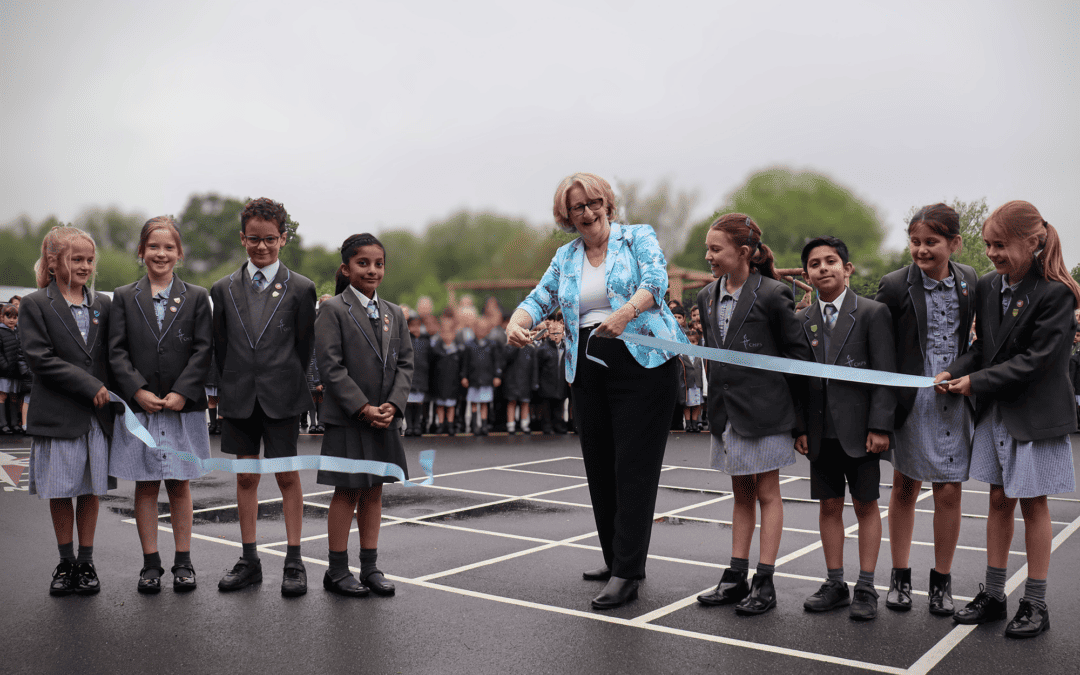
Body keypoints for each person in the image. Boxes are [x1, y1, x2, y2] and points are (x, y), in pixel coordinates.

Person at [508, 172, 686, 610]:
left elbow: (656, 282)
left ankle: (628, 573)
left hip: (642, 359)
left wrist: (626, 312)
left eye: (593, 203)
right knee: (600, 469)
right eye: (577, 208)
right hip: (587, 362)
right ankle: (615, 558)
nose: (587, 212)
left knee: (634, 469)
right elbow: (539, 298)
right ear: (566, 216)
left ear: (607, 202)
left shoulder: (636, 237)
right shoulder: (565, 256)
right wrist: (517, 321)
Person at [941, 200, 1080, 639]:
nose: (992, 253)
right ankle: (995, 596)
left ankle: (1035, 604)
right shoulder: (987, 286)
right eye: (987, 245)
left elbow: (1038, 361)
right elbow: (984, 349)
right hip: (997, 413)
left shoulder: (1056, 292)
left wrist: (975, 381)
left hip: (1033, 416)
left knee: (1034, 505)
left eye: (1001, 245)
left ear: (1033, 243)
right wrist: (955, 368)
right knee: (998, 501)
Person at [693, 214, 812, 616]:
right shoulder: (706, 296)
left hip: (766, 415)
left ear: (743, 252)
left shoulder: (773, 294)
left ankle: (764, 580)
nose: (707, 255)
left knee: (766, 493)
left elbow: (799, 359)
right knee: (740, 495)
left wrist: (801, 422)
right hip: (727, 415)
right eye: (707, 248)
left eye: (715, 249)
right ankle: (735, 576)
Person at [874, 204, 978, 615]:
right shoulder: (895, 285)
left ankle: (942, 582)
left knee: (949, 489)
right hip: (912, 400)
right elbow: (880, 353)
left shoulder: (971, 280)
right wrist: (880, 416)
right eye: (915, 241)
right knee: (905, 486)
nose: (921, 250)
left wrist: (957, 371)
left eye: (931, 242)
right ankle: (900, 578)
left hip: (955, 395)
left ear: (954, 243)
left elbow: (978, 346)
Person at [210, 197, 317, 596]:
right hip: (239, 396)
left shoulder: (301, 288)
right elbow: (220, 346)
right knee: (246, 478)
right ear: (242, 238)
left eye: (270, 239)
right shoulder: (222, 289)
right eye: (253, 239)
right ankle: (249, 559)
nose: (261, 247)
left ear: (283, 238)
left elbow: (304, 349)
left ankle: (294, 559)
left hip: (282, 396)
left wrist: (282, 379)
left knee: (288, 476)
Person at [108, 216, 213, 594]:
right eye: (153, 246)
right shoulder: (123, 296)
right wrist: (136, 390)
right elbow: (116, 351)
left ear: (179, 254)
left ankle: (183, 562)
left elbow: (204, 349)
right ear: (141, 251)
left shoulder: (198, 297)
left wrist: (183, 390)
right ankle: (150, 563)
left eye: (169, 247)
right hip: (142, 409)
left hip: (182, 407)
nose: (161, 253)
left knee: (179, 484)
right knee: (147, 485)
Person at [795, 236, 896, 621]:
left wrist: (881, 425)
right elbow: (799, 381)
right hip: (820, 432)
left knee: (866, 505)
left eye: (831, 261)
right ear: (806, 274)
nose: (823, 268)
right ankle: (835, 583)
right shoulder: (802, 320)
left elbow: (885, 374)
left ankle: (866, 586)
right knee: (829, 506)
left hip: (861, 432)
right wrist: (800, 428)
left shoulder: (871, 313)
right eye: (815, 264)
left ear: (847, 268)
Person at [315, 233, 413, 597]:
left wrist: (393, 404)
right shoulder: (333, 309)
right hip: (349, 417)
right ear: (346, 268)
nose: (372, 270)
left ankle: (370, 567)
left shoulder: (393, 313)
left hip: (384, 417)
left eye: (378, 263)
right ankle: (337, 570)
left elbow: (406, 363)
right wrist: (363, 407)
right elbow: (331, 367)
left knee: (374, 492)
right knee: (347, 491)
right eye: (363, 263)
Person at [21, 226, 114, 596]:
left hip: (96, 419)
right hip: (58, 414)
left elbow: (111, 354)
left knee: (90, 489)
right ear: (54, 262)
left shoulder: (103, 305)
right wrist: (89, 385)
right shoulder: (35, 303)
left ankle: (87, 561)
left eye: (90, 260)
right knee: (61, 491)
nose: (85, 266)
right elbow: (39, 359)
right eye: (77, 259)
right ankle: (65, 562)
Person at [461, 316, 502, 436]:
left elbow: (496, 362)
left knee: (484, 402)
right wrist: (464, 376)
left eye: (484, 328)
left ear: (488, 330)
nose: (481, 331)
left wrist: (497, 376)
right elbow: (465, 363)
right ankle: (474, 425)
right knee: (474, 402)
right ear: (474, 329)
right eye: (479, 328)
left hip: (486, 378)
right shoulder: (469, 345)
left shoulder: (492, 345)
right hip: (473, 378)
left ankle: (484, 425)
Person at [430, 309, 463, 436]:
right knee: (440, 405)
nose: (447, 335)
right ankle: (441, 423)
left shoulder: (458, 351)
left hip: (453, 383)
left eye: (449, 332)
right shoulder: (436, 350)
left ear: (454, 334)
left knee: (450, 405)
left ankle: (450, 424)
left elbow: (461, 367)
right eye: (444, 332)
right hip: (439, 382)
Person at [501, 338, 538, 435]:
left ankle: (525, 424)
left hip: (526, 381)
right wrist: (515, 346)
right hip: (512, 381)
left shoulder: (530, 349)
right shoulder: (509, 347)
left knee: (525, 402)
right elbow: (505, 359)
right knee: (511, 402)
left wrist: (534, 382)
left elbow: (534, 367)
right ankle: (510, 425)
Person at [404, 313, 432, 436]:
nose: (415, 328)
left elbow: (431, 358)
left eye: (418, 326)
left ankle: (417, 425)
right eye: (412, 326)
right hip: (409, 375)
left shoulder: (426, 341)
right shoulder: (405, 339)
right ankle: (409, 426)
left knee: (419, 403)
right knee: (408, 402)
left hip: (422, 375)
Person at [0, 304, 23, 434]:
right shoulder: (1, 331)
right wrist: (5, 365)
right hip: (4, 371)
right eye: (8, 316)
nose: (12, 320)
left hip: (16, 371)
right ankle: (3, 424)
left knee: (14, 396)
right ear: (2, 317)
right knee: (2, 396)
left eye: (15, 317)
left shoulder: (19, 331)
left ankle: (14, 424)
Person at [680, 329, 704, 432]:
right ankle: (688, 424)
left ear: (697, 342)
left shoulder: (701, 355)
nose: (691, 345)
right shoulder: (682, 355)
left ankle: (695, 424)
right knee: (687, 404)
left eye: (693, 342)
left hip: (697, 384)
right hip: (687, 384)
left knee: (696, 404)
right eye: (688, 342)